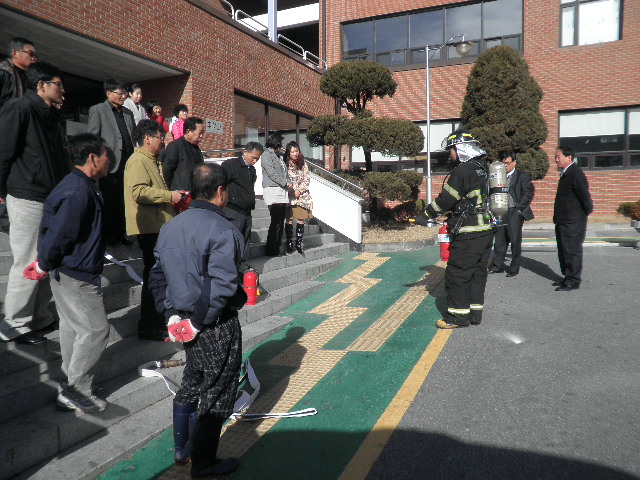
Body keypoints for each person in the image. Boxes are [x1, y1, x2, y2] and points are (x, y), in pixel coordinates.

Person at [148, 163, 247, 478]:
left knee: (192, 382)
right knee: (216, 391)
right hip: (215, 324)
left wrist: (171, 315)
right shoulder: (223, 229)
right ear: (220, 192)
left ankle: (182, 452)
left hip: (184, 318)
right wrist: (198, 322)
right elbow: (220, 284)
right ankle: (203, 463)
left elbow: (157, 275)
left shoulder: (170, 227)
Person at [24, 133, 110, 412]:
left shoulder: (81, 185)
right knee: (95, 330)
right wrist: (43, 263)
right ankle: (77, 389)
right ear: (93, 158)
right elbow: (60, 233)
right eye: (105, 155)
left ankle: (73, 381)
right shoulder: (77, 190)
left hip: (71, 270)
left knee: (73, 329)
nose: (109, 160)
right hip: (76, 273)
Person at [0, 62, 69, 344]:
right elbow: (3, 150)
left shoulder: (51, 116)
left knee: (46, 260)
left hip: (50, 197)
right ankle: (15, 324)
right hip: (26, 194)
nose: (63, 90)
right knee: (27, 260)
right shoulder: (20, 108)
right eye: (58, 85)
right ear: (41, 85)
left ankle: (40, 317)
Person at [417, 129, 495, 329]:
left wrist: (426, 214)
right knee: (477, 273)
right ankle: (474, 313)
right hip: (486, 229)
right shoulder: (482, 167)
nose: (450, 154)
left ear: (461, 149)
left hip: (469, 232)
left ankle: (457, 317)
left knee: (458, 273)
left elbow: (447, 199)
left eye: (452, 150)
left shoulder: (463, 170)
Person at [123, 119, 182, 341]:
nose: (163, 142)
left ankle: (156, 321)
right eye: (160, 137)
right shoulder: (138, 160)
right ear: (147, 138)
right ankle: (149, 324)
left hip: (158, 225)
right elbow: (138, 191)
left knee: (157, 276)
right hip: (149, 227)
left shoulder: (151, 160)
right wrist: (169, 196)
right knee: (154, 277)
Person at [87, 79, 135, 246]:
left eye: (125, 93)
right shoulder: (98, 110)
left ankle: (121, 232)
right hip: (109, 164)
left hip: (127, 164)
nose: (123, 96)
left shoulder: (128, 113)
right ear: (109, 93)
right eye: (119, 93)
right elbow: (93, 136)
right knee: (109, 200)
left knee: (124, 200)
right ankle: (108, 235)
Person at [552, 146, 593, 291]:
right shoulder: (565, 173)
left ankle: (573, 280)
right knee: (563, 250)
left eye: (559, 157)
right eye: (555, 157)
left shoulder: (576, 173)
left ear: (569, 157)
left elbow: (585, 197)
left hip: (573, 221)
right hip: (563, 220)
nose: (556, 160)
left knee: (571, 250)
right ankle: (567, 276)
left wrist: (582, 215)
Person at [488, 152, 534, 277]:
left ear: (514, 162)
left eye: (508, 163)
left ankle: (514, 268)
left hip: (514, 211)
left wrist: (519, 208)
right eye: (503, 163)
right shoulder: (497, 176)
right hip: (500, 211)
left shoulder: (522, 176)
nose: (506, 166)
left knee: (514, 240)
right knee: (499, 240)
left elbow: (528, 193)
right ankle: (497, 266)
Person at [221, 141, 263, 261]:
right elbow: (221, 184)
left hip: (247, 210)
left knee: (244, 241)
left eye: (257, 158)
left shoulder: (252, 170)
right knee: (233, 241)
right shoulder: (230, 165)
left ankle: (241, 265)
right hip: (233, 209)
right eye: (253, 157)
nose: (255, 161)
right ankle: (230, 267)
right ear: (245, 152)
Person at [261, 132, 292, 257]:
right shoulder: (266, 154)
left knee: (280, 221)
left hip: (282, 191)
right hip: (273, 190)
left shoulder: (279, 155)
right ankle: (271, 249)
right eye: (281, 141)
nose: (283, 143)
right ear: (276, 141)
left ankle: (277, 247)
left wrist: (288, 183)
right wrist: (285, 183)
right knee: (276, 221)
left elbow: (284, 173)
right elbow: (271, 173)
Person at [284, 141, 313, 254]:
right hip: (290, 195)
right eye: (292, 151)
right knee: (289, 218)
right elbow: (284, 179)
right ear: (288, 153)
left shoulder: (303, 164)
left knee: (301, 218)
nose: (295, 154)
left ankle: (299, 242)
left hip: (302, 196)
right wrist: (292, 190)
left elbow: (307, 179)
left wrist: (299, 190)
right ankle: (289, 242)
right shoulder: (285, 164)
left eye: (296, 151)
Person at [161, 116, 205, 191]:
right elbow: (167, 170)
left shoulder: (197, 149)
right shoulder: (175, 146)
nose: (201, 136)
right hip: (180, 192)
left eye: (202, 133)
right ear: (189, 131)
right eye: (200, 133)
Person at [0, 37, 37, 108]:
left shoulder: (32, 79)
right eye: (31, 53)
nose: (34, 58)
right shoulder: (4, 73)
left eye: (35, 55)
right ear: (15, 53)